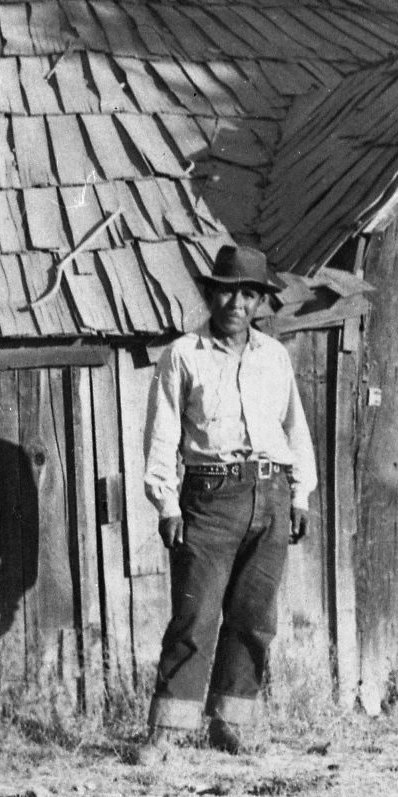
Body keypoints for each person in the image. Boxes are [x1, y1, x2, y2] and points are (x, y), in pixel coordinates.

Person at [134, 243, 316, 761]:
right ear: (211, 294)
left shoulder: (273, 356)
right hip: (209, 498)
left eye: (249, 294)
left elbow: (294, 428)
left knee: (254, 617)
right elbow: (162, 434)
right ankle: (167, 732)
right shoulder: (182, 355)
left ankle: (229, 724)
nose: (238, 303)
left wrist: (299, 493)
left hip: (270, 494)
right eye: (228, 292)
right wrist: (167, 504)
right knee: (195, 615)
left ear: (260, 302)